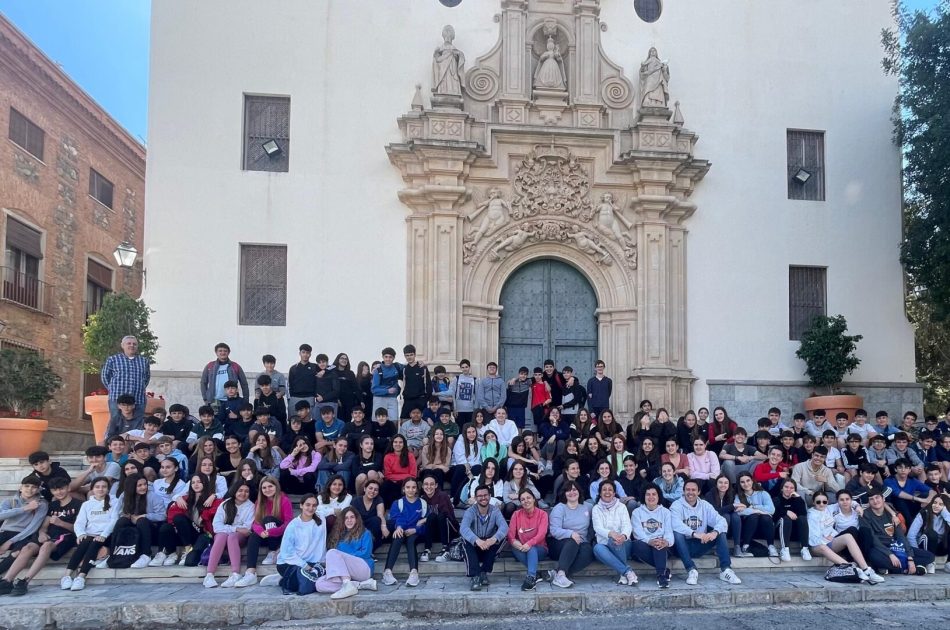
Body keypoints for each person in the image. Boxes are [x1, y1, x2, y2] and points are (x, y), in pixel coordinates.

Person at [0, 477, 78, 596]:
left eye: (61, 489)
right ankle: (7, 581)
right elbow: (44, 525)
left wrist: (61, 523)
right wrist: (42, 532)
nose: (58, 492)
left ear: (68, 488)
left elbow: (78, 529)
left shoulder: (79, 504)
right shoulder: (52, 505)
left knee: (46, 546)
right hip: (46, 535)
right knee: (27, 548)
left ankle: (25, 581)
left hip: (65, 536)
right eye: (55, 490)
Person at [671, 479, 741, 585]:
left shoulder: (704, 505)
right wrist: (695, 534)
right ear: (683, 491)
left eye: (693, 490)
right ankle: (691, 570)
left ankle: (726, 570)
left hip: (700, 545)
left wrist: (714, 532)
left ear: (699, 492)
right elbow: (676, 524)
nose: (690, 492)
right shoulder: (676, 505)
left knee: (720, 532)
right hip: (680, 547)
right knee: (677, 533)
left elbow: (721, 520)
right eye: (687, 489)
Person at [807, 490, 885, 583]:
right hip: (817, 545)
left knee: (848, 536)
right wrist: (825, 539)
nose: (821, 504)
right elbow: (813, 539)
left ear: (827, 502)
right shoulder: (811, 515)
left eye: (824, 502)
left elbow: (850, 502)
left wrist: (857, 506)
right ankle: (853, 569)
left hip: (829, 542)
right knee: (822, 546)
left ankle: (866, 570)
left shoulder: (829, 509)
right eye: (818, 502)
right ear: (813, 502)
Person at [259, 494, 327, 596]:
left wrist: (322, 560)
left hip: (311, 561)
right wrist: (304, 565)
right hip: (289, 563)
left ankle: (285, 578)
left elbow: (330, 510)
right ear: (301, 505)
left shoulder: (321, 518)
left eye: (314, 505)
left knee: (317, 578)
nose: (311, 508)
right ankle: (282, 580)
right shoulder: (293, 525)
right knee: (303, 581)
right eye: (308, 505)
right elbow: (287, 553)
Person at [234, 476, 293, 586]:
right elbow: (255, 523)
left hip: (280, 536)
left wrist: (272, 531)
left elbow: (289, 524)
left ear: (276, 487)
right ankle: (250, 572)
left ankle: (272, 551)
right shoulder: (259, 502)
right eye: (264, 488)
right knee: (253, 536)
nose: (267, 489)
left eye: (270, 486)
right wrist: (261, 532)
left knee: (268, 519)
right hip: (266, 535)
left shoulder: (284, 500)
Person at [60, 477, 117, 591]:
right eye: (97, 487)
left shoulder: (114, 502)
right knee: (84, 542)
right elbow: (79, 522)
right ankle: (66, 576)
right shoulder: (86, 504)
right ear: (92, 489)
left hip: (107, 535)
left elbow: (114, 520)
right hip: (90, 534)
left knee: (94, 543)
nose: (100, 489)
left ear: (108, 489)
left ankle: (81, 577)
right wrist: (80, 534)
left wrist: (103, 535)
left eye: (104, 487)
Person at [862, 489, 935, 575]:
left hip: (896, 547)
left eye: (877, 497)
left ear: (883, 499)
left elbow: (901, 536)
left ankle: (894, 569)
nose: (875, 501)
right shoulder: (865, 515)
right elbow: (874, 540)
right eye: (871, 499)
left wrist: (910, 558)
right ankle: (906, 569)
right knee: (874, 556)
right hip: (880, 549)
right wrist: (890, 554)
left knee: (930, 556)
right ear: (869, 502)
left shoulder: (892, 515)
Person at [154, 473, 220, 567]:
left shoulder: (212, 499)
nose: (196, 484)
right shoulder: (185, 498)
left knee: (190, 562)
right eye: (193, 482)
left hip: (202, 533)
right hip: (185, 533)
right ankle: (172, 553)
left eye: (199, 482)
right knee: (166, 526)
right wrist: (178, 498)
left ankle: (188, 551)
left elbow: (219, 507)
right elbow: (172, 514)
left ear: (205, 483)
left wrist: (204, 516)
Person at [314, 506, 377, 599]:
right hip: (347, 573)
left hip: (364, 568)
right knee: (319, 584)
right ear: (342, 520)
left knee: (332, 553)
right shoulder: (338, 536)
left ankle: (347, 584)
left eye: (352, 517)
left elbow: (365, 553)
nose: (349, 520)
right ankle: (358, 585)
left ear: (357, 519)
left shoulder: (365, 533)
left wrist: (343, 558)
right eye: (346, 518)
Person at [203, 481, 254, 588]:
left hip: (239, 538)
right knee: (221, 535)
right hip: (223, 536)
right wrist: (236, 528)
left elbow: (247, 529)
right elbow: (217, 526)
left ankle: (235, 574)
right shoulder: (225, 504)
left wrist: (230, 529)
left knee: (231, 536)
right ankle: (209, 575)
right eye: (240, 490)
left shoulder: (251, 506)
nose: (243, 493)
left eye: (246, 491)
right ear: (234, 491)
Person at [460, 484, 508, 591]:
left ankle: (483, 572)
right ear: (476, 498)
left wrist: (493, 539)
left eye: (485, 495)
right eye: (480, 496)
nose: (483, 498)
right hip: (474, 547)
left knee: (502, 538)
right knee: (465, 540)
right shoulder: (470, 511)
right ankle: (475, 576)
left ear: (490, 496)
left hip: (488, 546)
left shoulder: (495, 510)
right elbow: (463, 528)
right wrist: (477, 540)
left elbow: (504, 527)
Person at [546, 480, 593, 588]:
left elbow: (591, 526)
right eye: (568, 490)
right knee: (573, 541)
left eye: (574, 489)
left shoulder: (588, 507)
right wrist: (571, 534)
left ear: (579, 491)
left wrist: (588, 539)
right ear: (564, 493)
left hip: (581, 542)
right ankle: (561, 574)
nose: (572, 492)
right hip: (559, 544)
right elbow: (554, 530)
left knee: (588, 552)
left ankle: (559, 573)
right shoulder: (559, 508)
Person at [111, 474, 165, 569]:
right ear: (131, 487)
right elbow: (117, 512)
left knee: (142, 521)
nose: (144, 487)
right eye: (139, 485)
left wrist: (145, 516)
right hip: (132, 527)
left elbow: (163, 516)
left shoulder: (153, 496)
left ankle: (146, 555)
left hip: (150, 529)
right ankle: (113, 553)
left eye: (145, 484)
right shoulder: (124, 495)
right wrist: (128, 516)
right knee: (122, 521)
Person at [381, 478, 426, 587]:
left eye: (413, 487)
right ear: (403, 489)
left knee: (411, 540)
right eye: (408, 487)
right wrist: (399, 527)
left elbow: (426, 523)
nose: (411, 490)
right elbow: (397, 517)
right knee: (397, 537)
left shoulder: (423, 503)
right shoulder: (398, 503)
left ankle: (414, 573)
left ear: (417, 489)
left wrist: (416, 529)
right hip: (401, 529)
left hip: (415, 532)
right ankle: (387, 572)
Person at [100, 335, 151, 433]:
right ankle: (111, 441)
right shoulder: (113, 359)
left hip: (138, 399)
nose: (132, 345)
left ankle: (133, 443)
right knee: (115, 423)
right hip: (117, 399)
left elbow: (146, 378)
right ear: (122, 345)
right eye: (129, 343)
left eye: (134, 344)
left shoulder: (144, 361)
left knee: (138, 425)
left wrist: (140, 387)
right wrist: (113, 389)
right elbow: (105, 377)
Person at [591, 481, 638, 585]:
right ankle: (627, 572)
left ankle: (623, 573)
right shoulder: (596, 509)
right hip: (605, 546)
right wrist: (611, 534)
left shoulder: (621, 507)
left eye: (610, 490)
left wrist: (623, 536)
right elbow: (597, 528)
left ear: (614, 493)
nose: (607, 492)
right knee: (597, 548)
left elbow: (627, 525)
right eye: (604, 490)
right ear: (600, 493)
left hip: (623, 544)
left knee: (615, 541)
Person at [631, 484, 674, 588]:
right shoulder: (637, 512)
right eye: (648, 494)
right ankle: (664, 570)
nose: (651, 497)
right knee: (636, 544)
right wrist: (650, 541)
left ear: (658, 496)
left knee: (659, 544)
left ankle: (661, 576)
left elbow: (669, 532)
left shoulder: (666, 512)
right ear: (643, 496)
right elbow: (637, 532)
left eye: (654, 494)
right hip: (645, 545)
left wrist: (666, 541)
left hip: (662, 547)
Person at [508, 488, 549, 591]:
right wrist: (515, 543)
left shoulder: (542, 514)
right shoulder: (516, 515)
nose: (526, 501)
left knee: (531, 549)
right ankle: (536, 573)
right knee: (514, 548)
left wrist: (529, 544)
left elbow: (542, 534)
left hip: (540, 549)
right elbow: (511, 536)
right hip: (522, 548)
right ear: (520, 502)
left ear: (534, 499)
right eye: (522, 499)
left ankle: (531, 577)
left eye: (528, 498)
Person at [734, 472, 777, 557]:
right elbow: (738, 511)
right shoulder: (738, 496)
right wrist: (756, 511)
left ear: (752, 481)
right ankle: (745, 546)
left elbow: (771, 510)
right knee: (754, 516)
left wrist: (754, 507)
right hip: (748, 528)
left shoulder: (763, 493)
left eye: (748, 480)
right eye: (742, 482)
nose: (746, 484)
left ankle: (771, 546)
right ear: (739, 484)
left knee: (766, 517)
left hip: (764, 528)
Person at [883, 457, 935, 525]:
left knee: (925, 495)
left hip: (910, 505)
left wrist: (928, 499)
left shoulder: (912, 480)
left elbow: (932, 491)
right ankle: (910, 525)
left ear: (910, 470)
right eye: (900, 468)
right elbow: (898, 493)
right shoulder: (888, 481)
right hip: (895, 507)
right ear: (895, 469)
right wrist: (920, 499)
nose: (903, 470)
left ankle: (927, 523)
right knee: (899, 500)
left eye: (906, 468)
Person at [907, 493, 950, 573]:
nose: (936, 506)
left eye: (940, 504)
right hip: (924, 546)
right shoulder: (924, 513)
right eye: (935, 503)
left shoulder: (947, 515)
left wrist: (945, 514)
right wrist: (917, 553)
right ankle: (930, 562)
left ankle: (948, 563)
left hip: (940, 547)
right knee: (932, 534)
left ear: (945, 506)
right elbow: (911, 536)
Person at [419, 473, 458, 562]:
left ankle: (446, 549)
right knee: (431, 517)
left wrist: (425, 519)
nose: (429, 487)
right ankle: (427, 549)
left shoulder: (442, 496)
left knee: (440, 516)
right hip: (434, 531)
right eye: (426, 484)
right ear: (422, 486)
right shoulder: (422, 498)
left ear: (436, 485)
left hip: (449, 530)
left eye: (431, 484)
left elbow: (446, 515)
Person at [200, 342, 249, 407]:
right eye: (220, 351)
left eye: (225, 351)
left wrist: (246, 400)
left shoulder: (235, 366)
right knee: (216, 414)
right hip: (214, 401)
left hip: (232, 400)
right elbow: (203, 383)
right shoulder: (210, 366)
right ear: (216, 352)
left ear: (228, 352)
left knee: (232, 414)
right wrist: (205, 398)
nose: (223, 353)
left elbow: (244, 384)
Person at [773, 479, 810, 562]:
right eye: (786, 487)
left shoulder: (797, 500)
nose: (788, 489)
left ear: (795, 490)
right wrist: (786, 512)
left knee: (802, 518)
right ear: (782, 488)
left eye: (791, 488)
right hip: (780, 531)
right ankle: (784, 549)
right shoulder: (776, 499)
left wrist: (798, 498)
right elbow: (774, 514)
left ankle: (805, 549)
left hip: (794, 532)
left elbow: (803, 514)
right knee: (786, 518)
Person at [381, 435, 417, 506]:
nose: (398, 444)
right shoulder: (387, 457)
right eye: (395, 442)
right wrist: (405, 475)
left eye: (400, 442)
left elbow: (413, 475)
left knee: (401, 485)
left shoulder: (410, 456)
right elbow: (387, 475)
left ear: (404, 444)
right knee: (386, 486)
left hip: (406, 481)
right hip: (392, 482)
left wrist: (397, 477)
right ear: (392, 443)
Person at [352, 479, 389, 548]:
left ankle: (369, 546)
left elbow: (380, 515)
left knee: (379, 521)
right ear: (365, 489)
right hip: (360, 528)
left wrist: (383, 527)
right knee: (376, 521)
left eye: (376, 490)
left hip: (373, 528)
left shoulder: (378, 499)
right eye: (370, 488)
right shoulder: (356, 501)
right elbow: (352, 518)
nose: (373, 491)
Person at [450, 424, 482, 504]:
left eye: (473, 432)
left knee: (478, 468)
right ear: (465, 433)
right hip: (457, 467)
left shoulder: (479, 444)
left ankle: (469, 496)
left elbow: (478, 461)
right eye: (469, 432)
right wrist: (469, 471)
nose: (472, 434)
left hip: (472, 468)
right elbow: (460, 460)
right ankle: (453, 496)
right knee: (461, 468)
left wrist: (470, 468)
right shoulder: (460, 443)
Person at [371, 347, 403, 421]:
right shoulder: (378, 370)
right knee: (378, 421)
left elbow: (409, 366)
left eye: (390, 357)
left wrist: (420, 363)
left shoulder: (397, 366)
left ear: (394, 358)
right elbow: (374, 389)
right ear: (383, 357)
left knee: (394, 421)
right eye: (386, 357)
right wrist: (387, 391)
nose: (388, 359)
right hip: (379, 399)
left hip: (392, 398)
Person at [287, 345, 317, 418]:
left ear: (310, 354)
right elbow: (290, 384)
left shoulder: (314, 367)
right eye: (303, 352)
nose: (305, 355)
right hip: (295, 397)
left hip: (309, 397)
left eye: (307, 353)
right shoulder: (293, 368)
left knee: (309, 420)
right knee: (294, 419)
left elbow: (327, 368)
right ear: (300, 353)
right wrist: (291, 397)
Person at [313, 354, 340, 419]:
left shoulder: (333, 373)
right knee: (316, 422)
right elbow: (313, 387)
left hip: (331, 403)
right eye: (319, 362)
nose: (321, 364)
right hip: (318, 403)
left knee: (331, 423)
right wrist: (316, 396)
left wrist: (323, 398)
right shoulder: (316, 373)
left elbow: (336, 391)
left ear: (327, 362)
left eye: (323, 362)